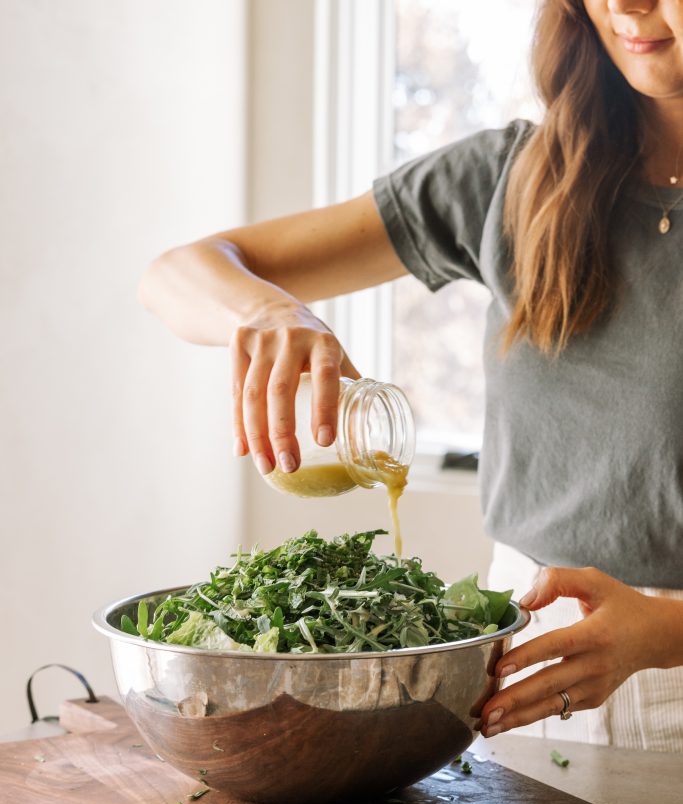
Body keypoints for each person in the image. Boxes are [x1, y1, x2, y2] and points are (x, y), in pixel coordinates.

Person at [139, 0, 683, 750]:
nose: (625, 3)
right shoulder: (514, 178)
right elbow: (178, 273)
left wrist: (666, 633)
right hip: (517, 674)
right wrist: (268, 315)